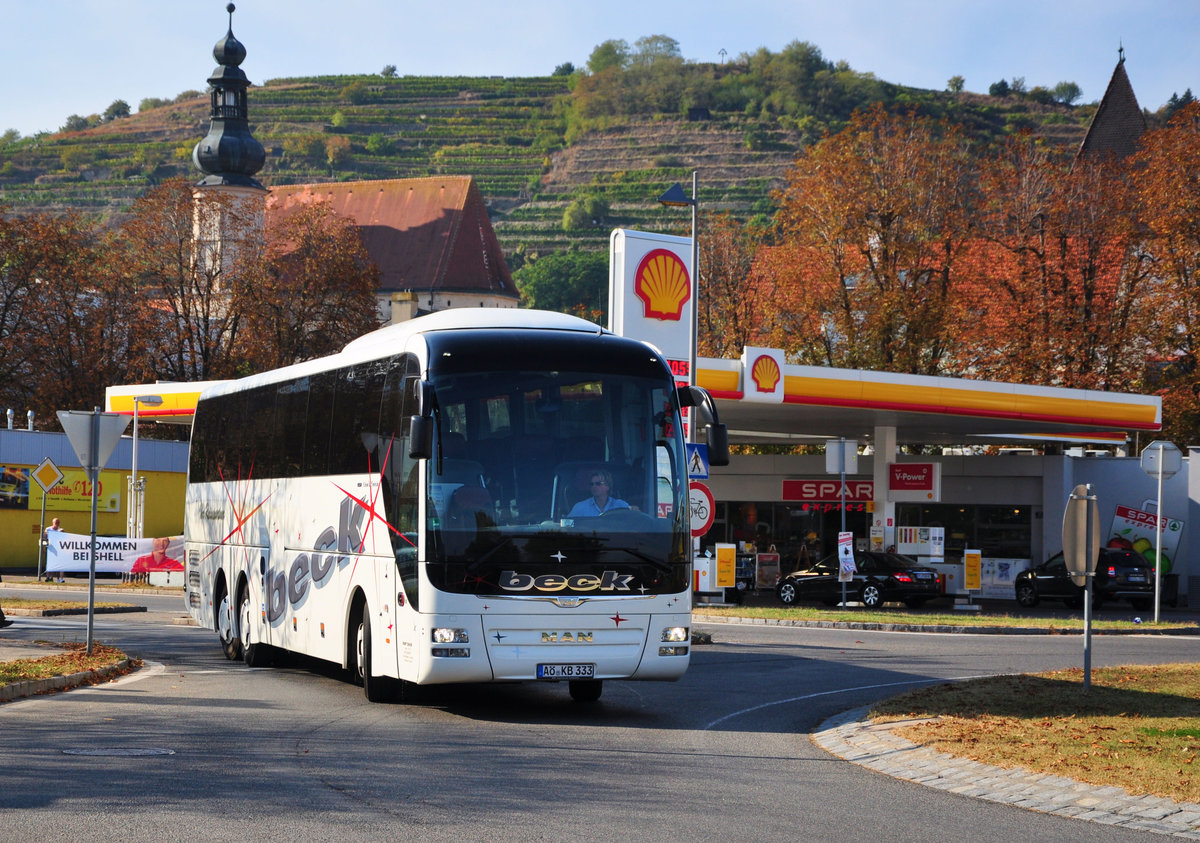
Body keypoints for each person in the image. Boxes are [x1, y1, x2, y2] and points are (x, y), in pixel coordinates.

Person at [45, 517, 64, 583]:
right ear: (53, 523)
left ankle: (59, 579)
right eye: (56, 522)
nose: (57, 524)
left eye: (58, 522)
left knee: (59, 564)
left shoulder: (60, 530)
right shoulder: (48, 529)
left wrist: (62, 533)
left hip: (58, 550)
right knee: (50, 563)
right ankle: (49, 577)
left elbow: (64, 538)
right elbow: (45, 538)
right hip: (51, 549)